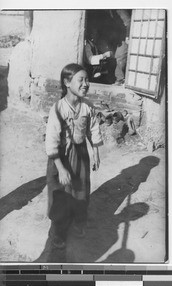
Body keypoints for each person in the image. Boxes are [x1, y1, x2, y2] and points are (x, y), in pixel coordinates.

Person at [45, 63, 103, 248]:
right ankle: (58, 231)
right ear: (67, 82)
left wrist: (95, 151)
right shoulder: (58, 109)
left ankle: (79, 222)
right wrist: (61, 169)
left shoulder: (87, 107)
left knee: (81, 191)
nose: (86, 84)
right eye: (81, 80)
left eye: (88, 80)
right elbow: (51, 140)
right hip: (60, 160)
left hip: (81, 156)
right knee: (61, 196)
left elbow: (93, 129)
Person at [111, 10, 131, 85]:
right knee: (118, 56)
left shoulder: (119, 9)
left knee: (119, 56)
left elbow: (128, 22)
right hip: (118, 38)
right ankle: (120, 79)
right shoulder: (111, 11)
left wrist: (127, 37)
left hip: (124, 38)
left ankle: (120, 80)